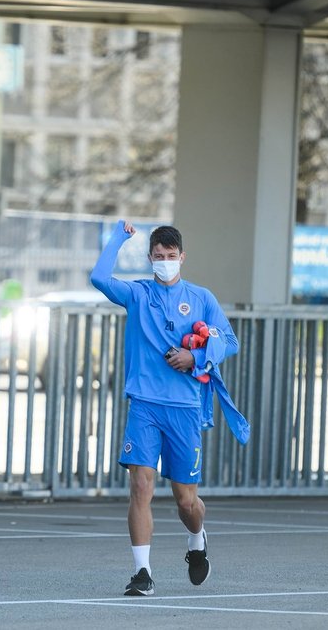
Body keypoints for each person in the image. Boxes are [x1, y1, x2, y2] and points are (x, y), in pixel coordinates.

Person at [91, 221, 241, 597]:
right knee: (141, 484)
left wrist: (196, 356)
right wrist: (119, 237)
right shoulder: (138, 294)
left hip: (184, 408)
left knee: (185, 500)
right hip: (144, 404)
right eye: (158, 257)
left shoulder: (201, 297)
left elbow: (231, 341)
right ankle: (142, 572)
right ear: (150, 258)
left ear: (182, 258)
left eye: (171, 257)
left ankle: (197, 539)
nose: (165, 263)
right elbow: (98, 277)